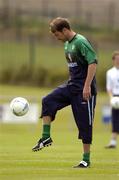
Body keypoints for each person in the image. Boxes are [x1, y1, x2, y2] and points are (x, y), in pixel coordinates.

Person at [32, 17, 97, 168]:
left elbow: (93, 62)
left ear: (65, 30)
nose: (56, 38)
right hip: (71, 87)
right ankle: (46, 137)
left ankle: (86, 159)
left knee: (85, 125)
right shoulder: (67, 44)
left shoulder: (80, 41)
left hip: (84, 90)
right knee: (47, 100)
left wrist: (87, 86)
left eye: (57, 35)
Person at [105, 51, 119, 148]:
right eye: (117, 59)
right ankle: (113, 142)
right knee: (115, 120)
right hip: (115, 97)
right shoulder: (110, 72)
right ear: (113, 60)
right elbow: (109, 87)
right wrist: (111, 99)